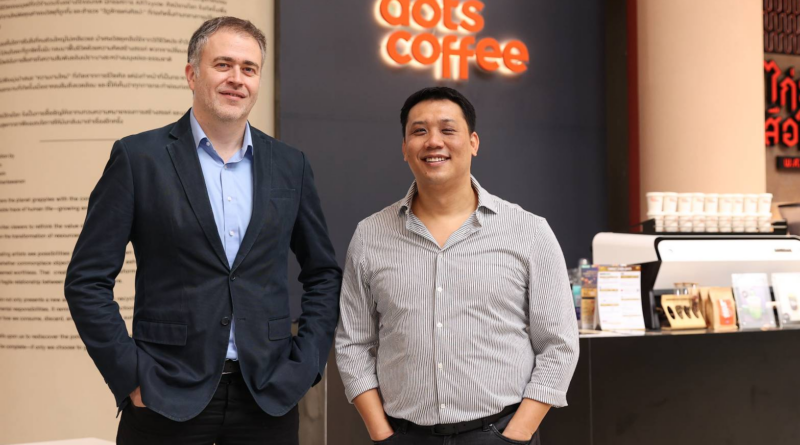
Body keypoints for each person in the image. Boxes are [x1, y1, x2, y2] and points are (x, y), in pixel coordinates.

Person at [64, 17, 341, 445]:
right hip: (164, 395)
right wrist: (131, 376)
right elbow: (86, 281)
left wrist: (305, 366)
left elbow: (323, 273)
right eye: (223, 65)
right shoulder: (138, 159)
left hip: (267, 398)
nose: (237, 79)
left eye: (249, 69)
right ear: (192, 74)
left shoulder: (291, 165)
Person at [335, 87, 579, 444]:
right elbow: (353, 343)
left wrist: (517, 434)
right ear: (404, 148)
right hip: (405, 435)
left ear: (473, 142)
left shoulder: (529, 231)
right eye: (419, 131)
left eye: (448, 130)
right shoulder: (371, 235)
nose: (433, 141)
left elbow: (559, 344)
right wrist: (381, 434)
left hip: (500, 433)